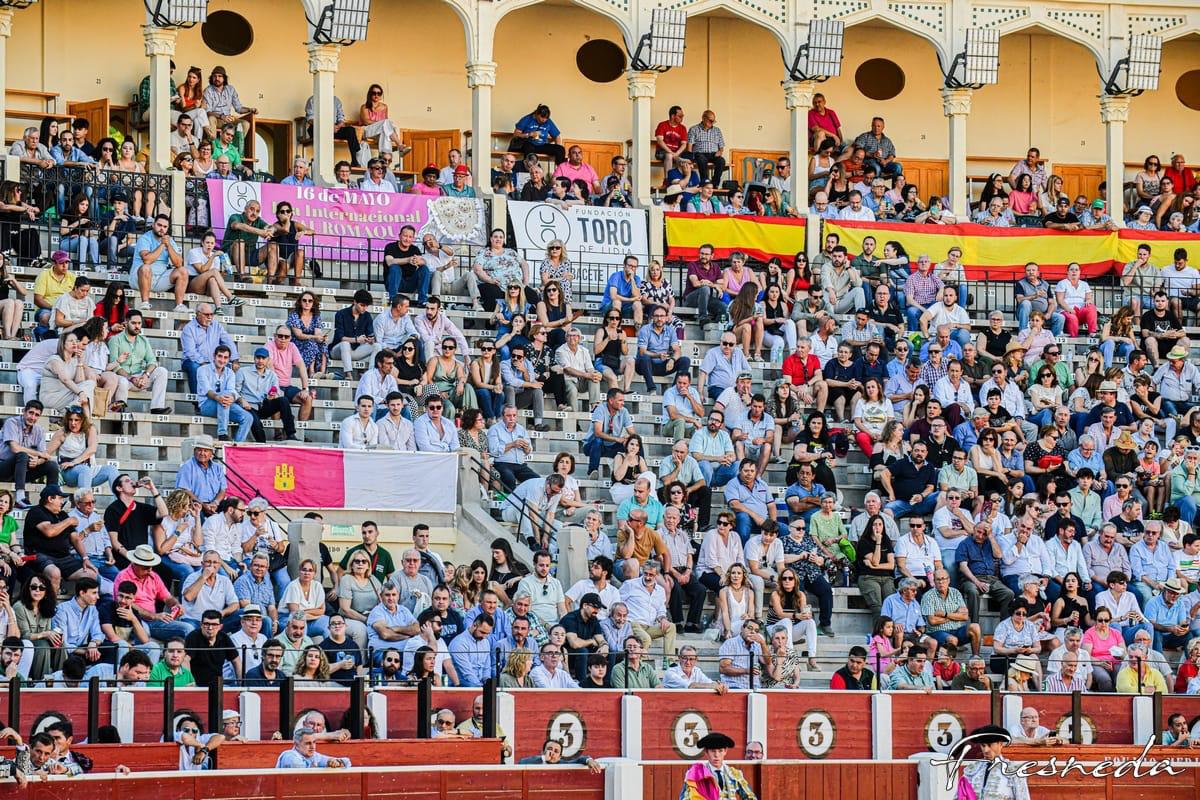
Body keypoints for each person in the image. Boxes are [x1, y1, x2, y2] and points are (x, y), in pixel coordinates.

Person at [679, 731, 757, 800]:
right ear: (706, 752)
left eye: (720, 751)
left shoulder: (734, 774)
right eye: (713, 751)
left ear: (725, 751)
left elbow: (750, 797)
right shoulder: (696, 774)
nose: (716, 755)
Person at [275, 727, 350, 769]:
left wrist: (336, 762)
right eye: (308, 743)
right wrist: (326, 766)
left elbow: (346, 762)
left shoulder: (314, 756)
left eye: (314, 742)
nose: (312, 747)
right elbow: (303, 771)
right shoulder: (289, 756)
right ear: (296, 745)